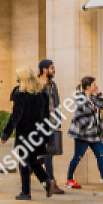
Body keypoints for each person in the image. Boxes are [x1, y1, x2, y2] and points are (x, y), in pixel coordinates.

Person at [1, 66, 58, 200]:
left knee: (24, 162)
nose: (17, 80)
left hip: (25, 133)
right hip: (39, 133)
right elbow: (46, 115)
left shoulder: (20, 93)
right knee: (31, 160)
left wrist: (6, 134)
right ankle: (47, 181)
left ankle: (26, 192)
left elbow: (16, 116)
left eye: (18, 77)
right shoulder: (42, 93)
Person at [66, 76, 103, 190]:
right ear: (88, 86)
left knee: (100, 157)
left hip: (95, 135)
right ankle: (69, 180)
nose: (95, 86)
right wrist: (89, 124)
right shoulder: (81, 99)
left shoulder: (93, 98)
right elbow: (78, 117)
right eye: (93, 84)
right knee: (77, 157)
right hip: (84, 135)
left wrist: (99, 93)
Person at [39, 59, 64, 190]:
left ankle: (34, 170)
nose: (54, 70)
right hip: (40, 126)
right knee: (47, 155)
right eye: (51, 68)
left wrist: (58, 122)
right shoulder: (36, 85)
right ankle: (51, 183)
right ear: (44, 69)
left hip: (52, 124)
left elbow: (57, 104)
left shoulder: (53, 85)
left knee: (47, 154)